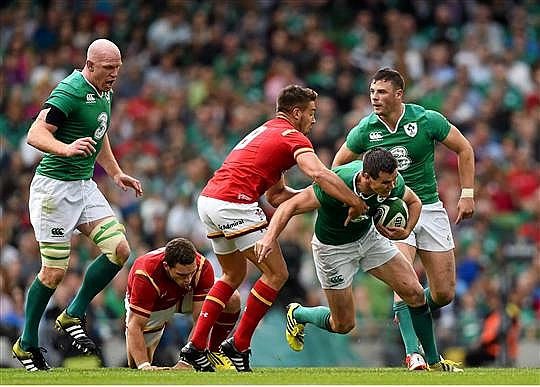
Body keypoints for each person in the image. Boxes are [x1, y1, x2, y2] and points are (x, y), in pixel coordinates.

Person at [180, 84, 368, 372]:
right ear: (296, 113)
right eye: (311, 113)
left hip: (208, 200)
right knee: (277, 273)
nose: (314, 120)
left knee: (232, 274)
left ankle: (195, 346)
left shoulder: (268, 131)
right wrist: (352, 199)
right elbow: (318, 172)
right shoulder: (293, 137)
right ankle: (239, 345)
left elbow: (276, 195)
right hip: (234, 203)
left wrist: (319, 200)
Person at [255, 147, 462, 372]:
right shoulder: (336, 184)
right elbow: (289, 205)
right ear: (365, 176)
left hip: (369, 239)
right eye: (385, 183)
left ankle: (433, 360)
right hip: (333, 250)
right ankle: (299, 313)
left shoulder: (394, 181)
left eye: (393, 181)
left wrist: (406, 230)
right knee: (343, 324)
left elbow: (414, 202)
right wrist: (268, 238)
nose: (391, 187)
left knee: (414, 292)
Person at [12, 39, 143, 371]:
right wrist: (66, 149)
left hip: (83, 187)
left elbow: (99, 131)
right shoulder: (70, 90)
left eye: (118, 68)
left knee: (119, 250)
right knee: (54, 272)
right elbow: (35, 133)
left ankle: (72, 313)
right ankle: (26, 344)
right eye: (109, 68)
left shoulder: (104, 91)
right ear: (90, 64)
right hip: (53, 191)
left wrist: (115, 172)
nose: (114, 74)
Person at [332, 68, 475, 370]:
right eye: (372, 92)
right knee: (405, 279)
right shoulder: (365, 129)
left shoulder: (426, 120)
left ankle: (408, 310)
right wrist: (359, 199)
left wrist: (467, 193)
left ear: (399, 94)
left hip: (430, 207)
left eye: (381, 92)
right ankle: (415, 354)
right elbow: (339, 164)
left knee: (444, 293)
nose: (374, 98)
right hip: (391, 210)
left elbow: (464, 148)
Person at [125, 237, 241, 371]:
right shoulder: (145, 274)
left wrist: (186, 361)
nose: (188, 279)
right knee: (135, 364)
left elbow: (202, 318)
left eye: (191, 273)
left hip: (184, 296)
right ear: (166, 266)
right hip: (155, 304)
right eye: (182, 275)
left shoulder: (202, 267)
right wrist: (144, 365)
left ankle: (215, 352)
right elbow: (135, 325)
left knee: (231, 297)